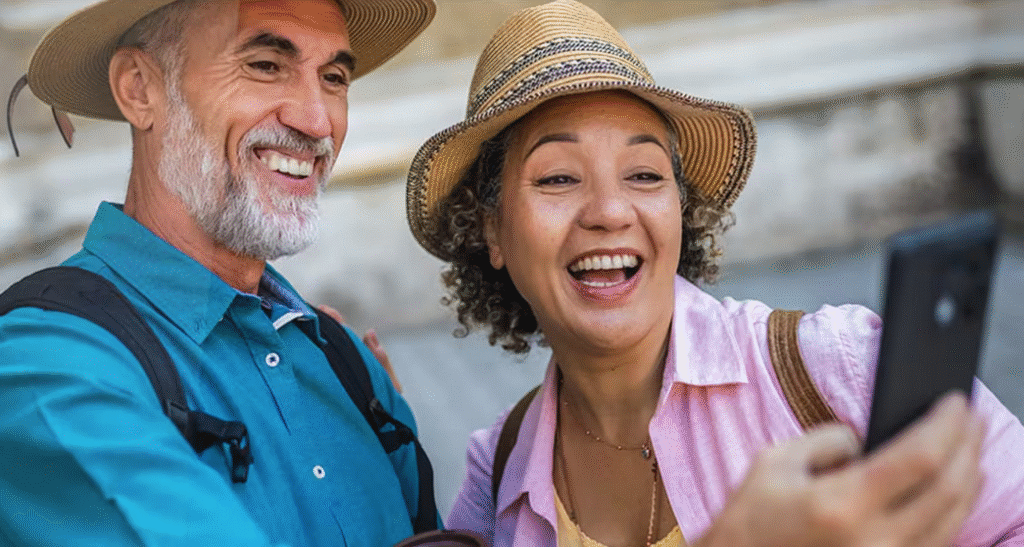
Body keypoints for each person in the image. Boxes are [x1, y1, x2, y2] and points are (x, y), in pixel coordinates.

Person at [404, 1, 1024, 546]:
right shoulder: (498, 475)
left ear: (681, 208)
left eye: (645, 174)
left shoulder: (837, 366)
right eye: (558, 178)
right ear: (491, 230)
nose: (611, 211)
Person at [0, 0, 439, 545]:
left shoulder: (347, 366)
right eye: (265, 65)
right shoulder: (42, 359)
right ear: (140, 88)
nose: (316, 120)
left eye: (333, 77)